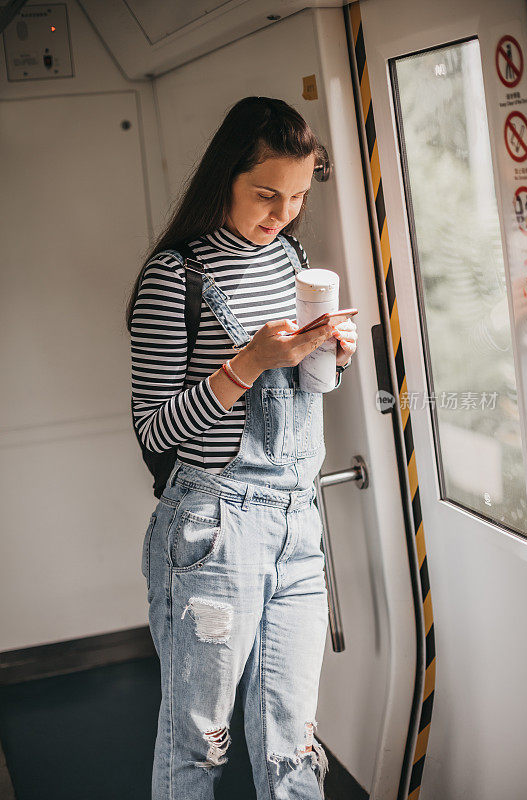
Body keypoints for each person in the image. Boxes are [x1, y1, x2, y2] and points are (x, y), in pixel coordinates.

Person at [126, 96, 358, 800]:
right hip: (213, 529)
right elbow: (155, 430)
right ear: (225, 176)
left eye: (295, 196)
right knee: (199, 745)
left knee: (292, 744)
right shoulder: (176, 277)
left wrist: (330, 358)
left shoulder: (289, 254)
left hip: (297, 522)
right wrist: (248, 364)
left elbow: (305, 393)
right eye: (265, 194)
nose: (281, 213)